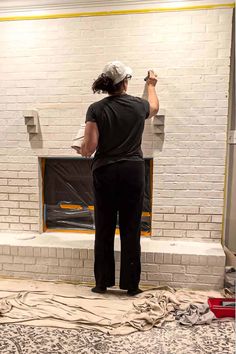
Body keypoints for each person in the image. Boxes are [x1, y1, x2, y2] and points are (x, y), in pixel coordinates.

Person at [79, 61, 158, 296]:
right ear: (125, 82)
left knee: (104, 227)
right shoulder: (138, 105)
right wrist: (152, 84)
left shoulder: (95, 108)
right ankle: (131, 285)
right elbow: (154, 107)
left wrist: (82, 149)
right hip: (133, 171)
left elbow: (90, 146)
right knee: (130, 227)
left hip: (105, 172)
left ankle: (102, 283)